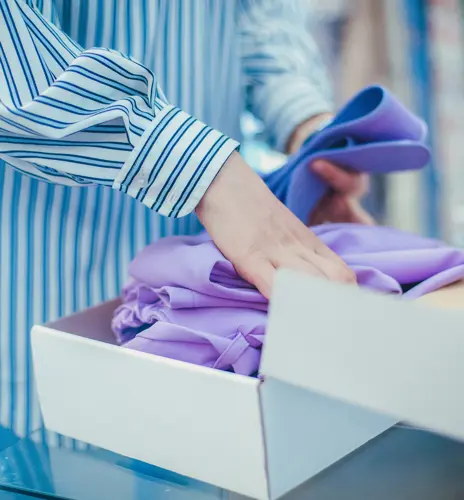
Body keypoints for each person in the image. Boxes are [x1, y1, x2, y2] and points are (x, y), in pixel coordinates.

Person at [0, 0, 368, 437]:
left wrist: (300, 117)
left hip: (199, 345)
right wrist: (203, 172)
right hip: (34, 316)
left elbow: (253, 13)